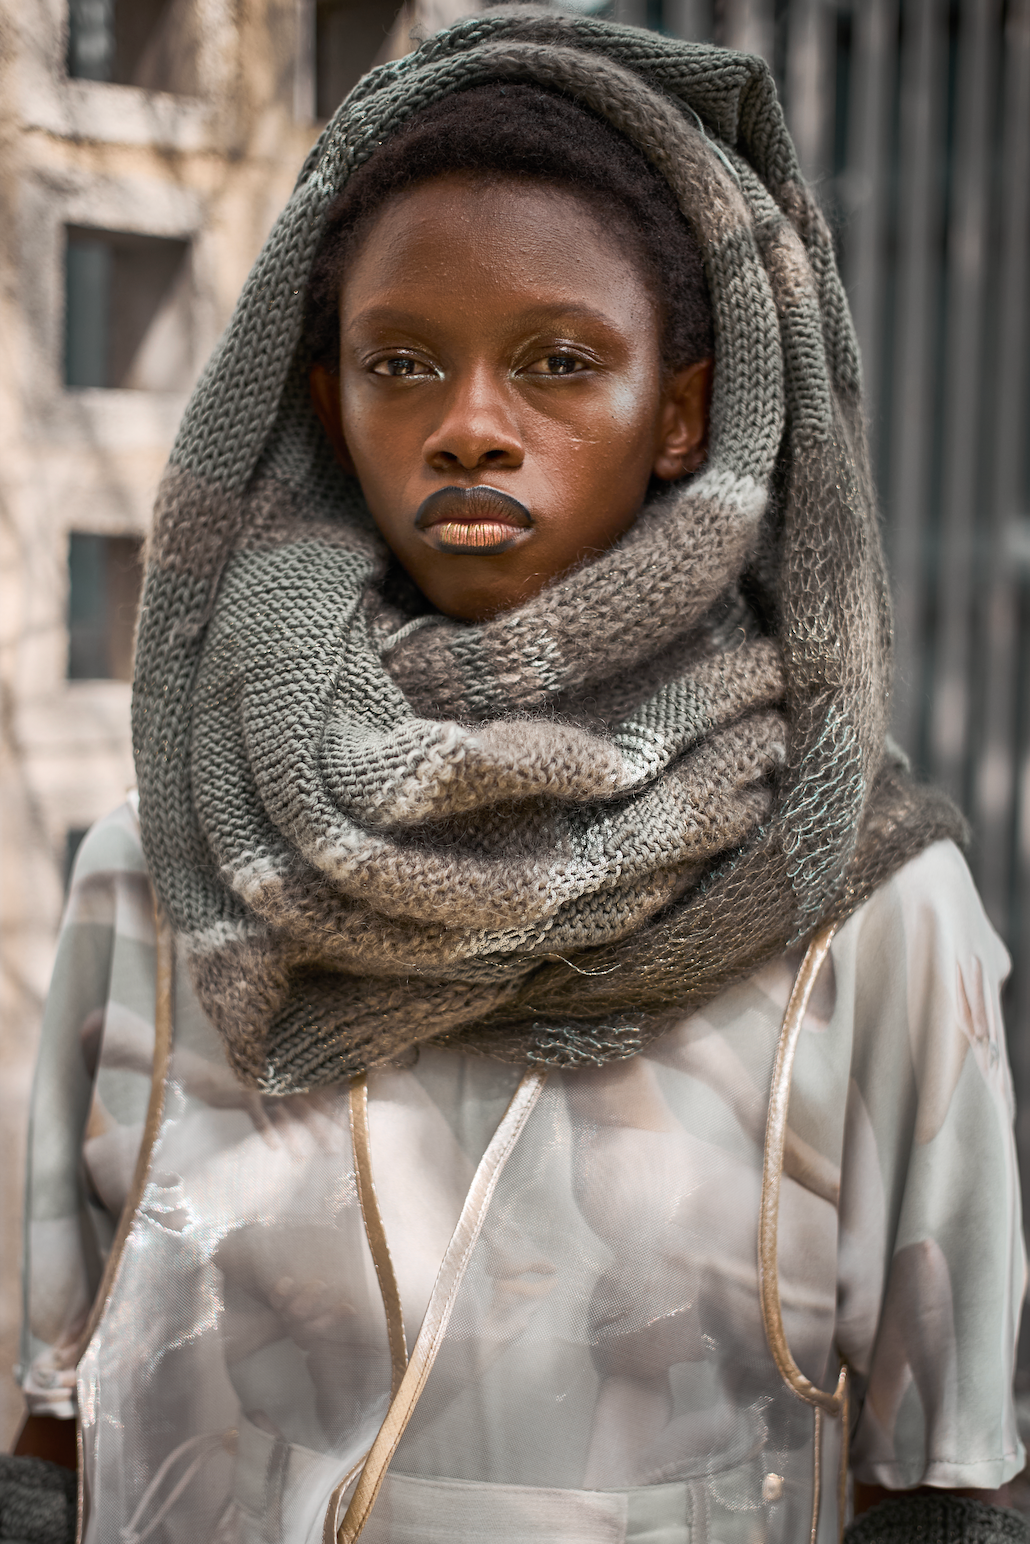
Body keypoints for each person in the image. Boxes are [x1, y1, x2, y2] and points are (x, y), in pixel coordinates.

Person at [7, 7, 1028, 1543]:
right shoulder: (164, 868)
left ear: (682, 411)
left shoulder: (858, 907)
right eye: (400, 363)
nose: (469, 428)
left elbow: (945, 1482)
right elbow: (50, 1430)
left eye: (559, 362)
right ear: (326, 400)